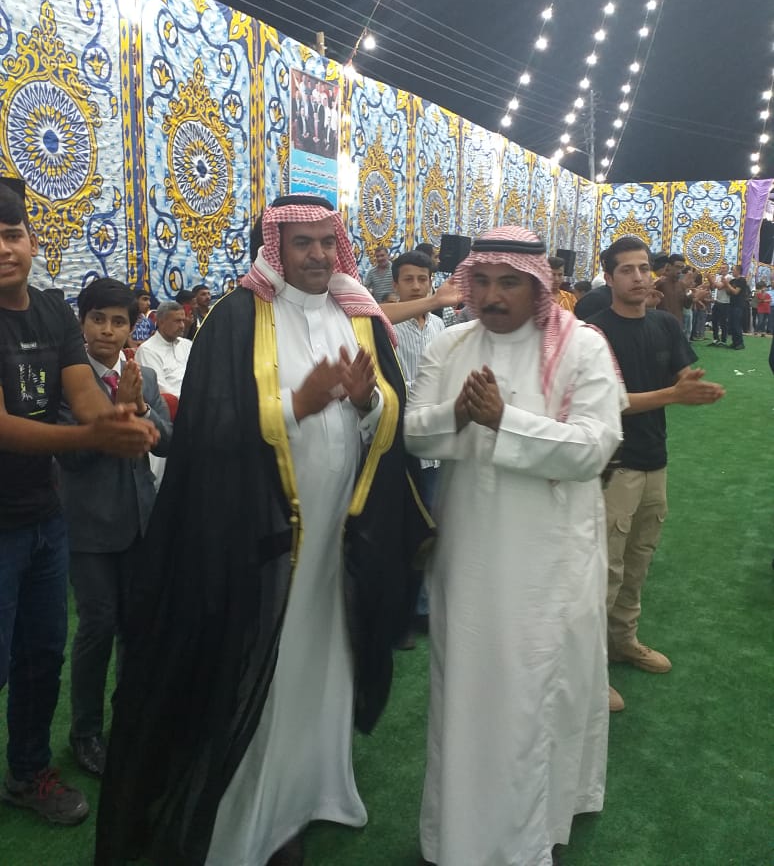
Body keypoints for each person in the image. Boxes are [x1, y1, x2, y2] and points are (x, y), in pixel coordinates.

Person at [96, 194, 432, 866]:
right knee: (264, 668)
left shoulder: (356, 314)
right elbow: (206, 431)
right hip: (260, 538)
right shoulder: (236, 319)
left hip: (339, 537)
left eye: (326, 242)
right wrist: (295, 405)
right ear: (274, 247)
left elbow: (388, 411)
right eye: (302, 243)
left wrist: (367, 401)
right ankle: (259, 809)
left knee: (325, 660)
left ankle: (315, 787)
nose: (318, 255)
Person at [404, 225, 623, 866]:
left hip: (551, 556)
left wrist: (506, 420)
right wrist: (459, 415)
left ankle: (535, 829)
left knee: (540, 687)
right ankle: (460, 832)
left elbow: (595, 447)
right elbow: (414, 433)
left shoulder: (581, 346)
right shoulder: (450, 344)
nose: (493, 296)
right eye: (482, 282)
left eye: (509, 283)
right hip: (470, 551)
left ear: (537, 286)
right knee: (468, 689)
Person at [0, 186, 157, 826]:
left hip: (45, 516)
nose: (3, 249)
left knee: (42, 655)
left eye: (11, 234)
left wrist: (117, 416)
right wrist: (97, 437)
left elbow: (83, 398)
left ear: (32, 240)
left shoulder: (50, 311)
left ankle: (29, 773)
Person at [588, 237, 725, 713]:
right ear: (608, 278)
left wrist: (690, 384)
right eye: (626, 270)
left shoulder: (665, 323)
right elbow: (608, 403)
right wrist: (673, 395)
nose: (639, 277)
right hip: (613, 465)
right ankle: (590, 670)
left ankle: (623, 640)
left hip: (654, 460)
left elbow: (682, 374)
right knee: (604, 569)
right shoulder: (595, 333)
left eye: (644, 268)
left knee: (639, 560)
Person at [57, 279, 172, 778]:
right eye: (98, 319)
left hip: (141, 520)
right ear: (82, 323)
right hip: (89, 527)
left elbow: (169, 441)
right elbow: (72, 456)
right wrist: (118, 414)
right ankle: (85, 732)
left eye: (118, 321)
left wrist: (140, 408)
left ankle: (130, 718)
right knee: (98, 626)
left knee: (136, 626)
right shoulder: (68, 378)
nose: (107, 330)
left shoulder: (142, 377)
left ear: (132, 328)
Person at [391, 251, 447, 647]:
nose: (416, 286)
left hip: (437, 443)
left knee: (434, 528)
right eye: (408, 279)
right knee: (406, 531)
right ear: (395, 284)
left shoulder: (441, 326)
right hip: (401, 440)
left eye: (422, 279)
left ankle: (425, 607)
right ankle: (402, 614)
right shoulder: (387, 324)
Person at [134, 301, 192, 398]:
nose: (182, 325)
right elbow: (160, 390)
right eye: (177, 321)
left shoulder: (187, 344)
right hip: (178, 402)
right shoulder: (148, 350)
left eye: (183, 320)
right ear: (161, 322)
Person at [727, 264, 749, 350]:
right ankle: (735, 342)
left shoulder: (742, 280)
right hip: (731, 304)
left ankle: (740, 343)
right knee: (732, 324)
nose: (732, 271)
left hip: (738, 305)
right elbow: (728, 292)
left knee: (737, 324)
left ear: (738, 271)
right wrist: (727, 285)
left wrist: (727, 284)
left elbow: (736, 292)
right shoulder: (732, 281)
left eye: (733, 270)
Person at [709, 262, 731, 346]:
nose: (722, 269)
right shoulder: (718, 277)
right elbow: (713, 288)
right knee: (714, 321)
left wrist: (711, 279)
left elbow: (720, 287)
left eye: (724, 268)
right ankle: (715, 339)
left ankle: (723, 340)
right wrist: (711, 281)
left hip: (725, 302)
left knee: (723, 322)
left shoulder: (729, 277)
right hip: (717, 301)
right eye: (721, 267)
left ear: (727, 269)